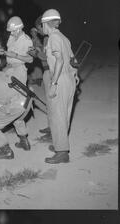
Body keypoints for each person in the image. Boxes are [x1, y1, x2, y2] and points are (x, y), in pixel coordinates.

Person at [40, 9, 78, 164]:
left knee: (57, 116)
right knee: (65, 114)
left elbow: (60, 61)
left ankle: (62, 152)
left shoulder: (53, 38)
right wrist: (75, 75)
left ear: (45, 23)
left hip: (60, 79)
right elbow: (73, 59)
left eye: (42, 24)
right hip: (69, 79)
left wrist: (54, 83)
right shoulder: (64, 37)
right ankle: (60, 144)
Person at [28, 16, 52, 141]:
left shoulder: (51, 38)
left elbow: (46, 56)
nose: (38, 31)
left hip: (51, 71)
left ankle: (54, 131)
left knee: (53, 103)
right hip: (47, 71)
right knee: (50, 102)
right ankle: (51, 127)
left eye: (38, 28)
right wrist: (35, 37)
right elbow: (42, 50)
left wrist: (36, 53)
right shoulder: (47, 37)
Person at [0, 16, 33, 85]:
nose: (11, 33)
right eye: (10, 31)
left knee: (18, 93)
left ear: (19, 29)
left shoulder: (27, 40)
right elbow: (10, 51)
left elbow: (30, 59)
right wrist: (4, 52)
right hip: (9, 68)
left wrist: (16, 56)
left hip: (19, 70)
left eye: (13, 31)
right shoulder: (12, 37)